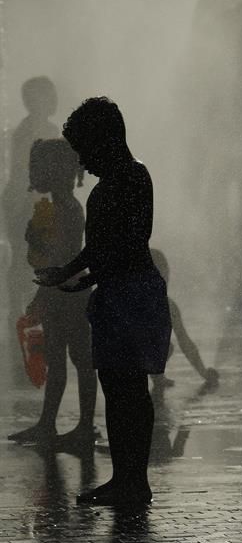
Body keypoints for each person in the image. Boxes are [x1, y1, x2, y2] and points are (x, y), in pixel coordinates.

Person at [36, 98, 171, 507]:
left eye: (86, 151)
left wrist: (67, 272)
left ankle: (130, 479)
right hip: (130, 288)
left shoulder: (119, 183)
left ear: (107, 140)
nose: (83, 163)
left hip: (126, 294)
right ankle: (130, 478)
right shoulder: (136, 177)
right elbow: (120, 248)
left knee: (124, 387)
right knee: (127, 387)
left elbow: (109, 246)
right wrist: (91, 277)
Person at [8, 139, 93, 450]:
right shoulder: (63, 206)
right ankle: (49, 423)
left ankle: (83, 426)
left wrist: (45, 291)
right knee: (58, 358)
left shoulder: (67, 209)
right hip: (64, 290)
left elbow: (64, 255)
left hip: (68, 292)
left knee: (81, 360)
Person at [7, 77, 60, 322]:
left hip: (39, 200)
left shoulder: (51, 130)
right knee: (23, 255)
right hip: (23, 201)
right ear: (35, 100)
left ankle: (37, 310)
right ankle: (17, 311)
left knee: (43, 256)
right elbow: (22, 171)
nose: (54, 99)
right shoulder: (24, 133)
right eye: (49, 94)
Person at [148, 248, 219, 399]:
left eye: (166, 273)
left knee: (166, 347)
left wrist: (204, 372)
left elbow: (185, 342)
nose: (166, 278)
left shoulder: (168, 305)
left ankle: (157, 376)